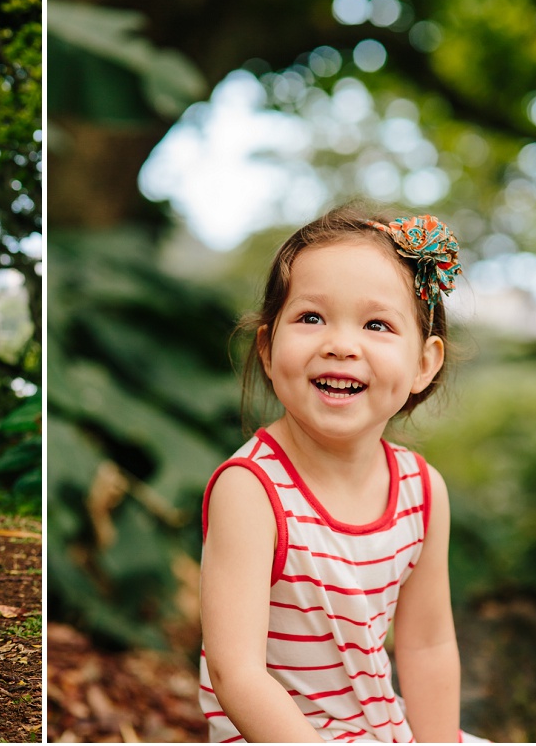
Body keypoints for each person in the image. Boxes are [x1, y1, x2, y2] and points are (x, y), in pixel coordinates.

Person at [199, 207, 489, 746]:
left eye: (376, 325)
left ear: (425, 363)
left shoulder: (421, 490)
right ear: (267, 348)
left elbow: (426, 646)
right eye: (311, 318)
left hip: (379, 727)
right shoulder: (250, 489)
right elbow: (235, 674)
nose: (341, 344)